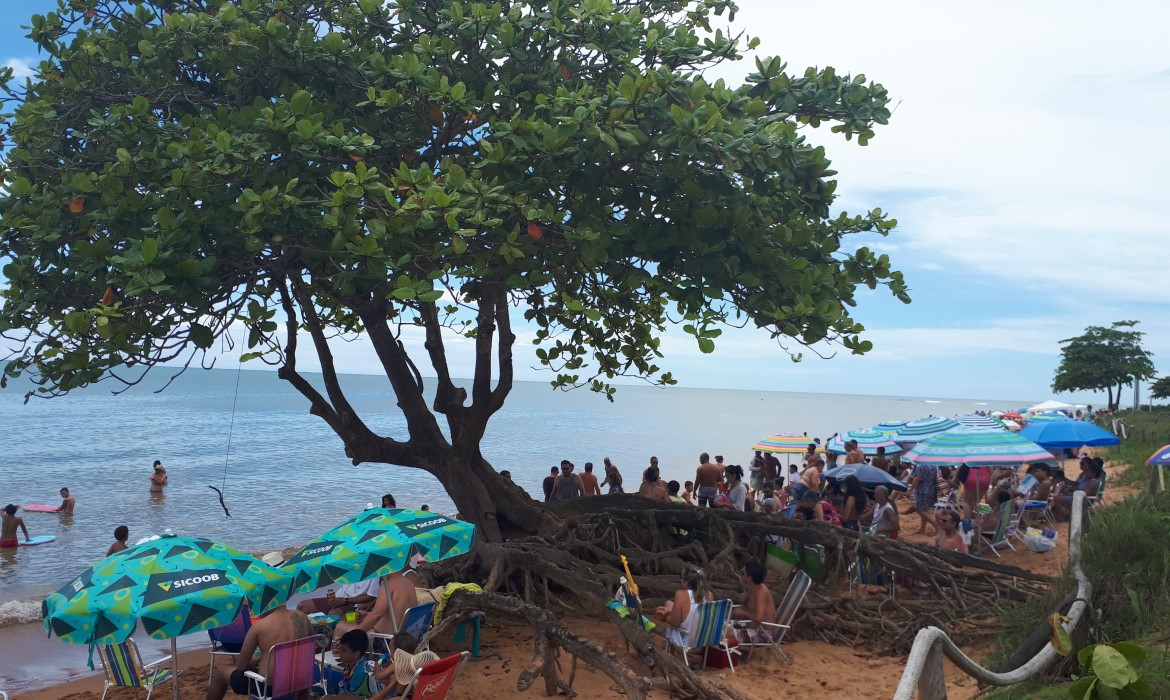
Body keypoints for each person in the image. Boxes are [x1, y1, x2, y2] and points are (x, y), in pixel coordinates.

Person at [206, 604, 313, 700]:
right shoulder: (302, 617)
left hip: (270, 687)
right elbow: (313, 645)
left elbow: (241, 667)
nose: (253, 610)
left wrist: (257, 660)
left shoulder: (259, 626)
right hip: (302, 680)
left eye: (254, 605)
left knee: (221, 672)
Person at [332, 560, 422, 642]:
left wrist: (358, 632)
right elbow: (396, 614)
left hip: (385, 640)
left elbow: (377, 615)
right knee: (361, 622)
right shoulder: (408, 583)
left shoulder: (388, 586)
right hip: (404, 637)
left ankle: (343, 657)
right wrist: (367, 615)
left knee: (340, 627)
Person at [655, 567, 713, 648]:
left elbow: (675, 623)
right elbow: (695, 613)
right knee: (669, 604)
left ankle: (670, 651)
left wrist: (665, 617)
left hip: (685, 641)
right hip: (702, 641)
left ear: (685, 583)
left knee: (668, 604)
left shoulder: (681, 595)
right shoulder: (709, 595)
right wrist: (669, 611)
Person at [369, 633, 438, 700]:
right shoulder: (414, 665)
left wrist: (377, 668)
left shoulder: (395, 665)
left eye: (391, 650)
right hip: (406, 695)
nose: (390, 653)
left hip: (393, 695)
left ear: (397, 653)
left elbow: (379, 676)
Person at [730, 560, 776, 643]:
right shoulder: (753, 588)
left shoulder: (761, 592)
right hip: (752, 627)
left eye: (742, 573)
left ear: (749, 577)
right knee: (720, 627)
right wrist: (743, 601)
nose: (740, 575)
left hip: (763, 633)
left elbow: (759, 618)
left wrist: (742, 612)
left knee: (724, 632)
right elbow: (752, 609)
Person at [326, 629, 375, 699]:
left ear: (356, 654)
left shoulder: (360, 673)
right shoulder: (350, 664)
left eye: (343, 650)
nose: (340, 652)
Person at [296, 578, 379, 616]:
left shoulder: (375, 574)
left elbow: (370, 596)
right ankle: (302, 638)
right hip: (339, 597)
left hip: (354, 604)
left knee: (333, 614)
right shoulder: (354, 565)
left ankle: (327, 642)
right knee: (302, 606)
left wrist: (345, 600)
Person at [906, 460, 939, 534]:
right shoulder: (933, 465)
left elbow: (917, 478)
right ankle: (922, 528)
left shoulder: (920, 465)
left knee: (919, 509)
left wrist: (910, 490)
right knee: (925, 509)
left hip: (923, 489)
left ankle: (935, 524)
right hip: (931, 489)